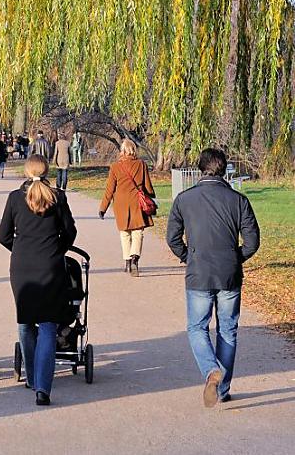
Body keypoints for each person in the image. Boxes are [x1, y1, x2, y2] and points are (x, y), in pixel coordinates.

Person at [166, 147, 260, 408]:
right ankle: (223, 388)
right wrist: (236, 257)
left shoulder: (184, 200)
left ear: (200, 169)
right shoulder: (239, 200)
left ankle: (210, 371)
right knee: (228, 330)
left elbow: (172, 238)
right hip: (229, 273)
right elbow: (252, 241)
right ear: (224, 169)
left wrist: (188, 256)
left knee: (197, 327)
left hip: (199, 273)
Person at [0, 154, 77, 406]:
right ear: (47, 170)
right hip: (50, 265)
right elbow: (70, 231)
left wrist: (18, 248)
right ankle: (43, 387)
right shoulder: (58, 197)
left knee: (26, 322)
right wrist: (57, 249)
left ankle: (31, 378)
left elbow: (3, 235)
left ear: (25, 171)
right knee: (48, 325)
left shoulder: (14, 198)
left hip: (22, 267)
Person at [98, 139, 155, 276]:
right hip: (137, 201)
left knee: (124, 233)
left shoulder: (115, 167)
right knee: (137, 232)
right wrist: (151, 195)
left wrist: (103, 208)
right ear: (134, 150)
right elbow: (147, 186)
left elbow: (110, 189)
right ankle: (135, 257)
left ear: (122, 151)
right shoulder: (141, 164)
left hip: (121, 203)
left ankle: (128, 262)